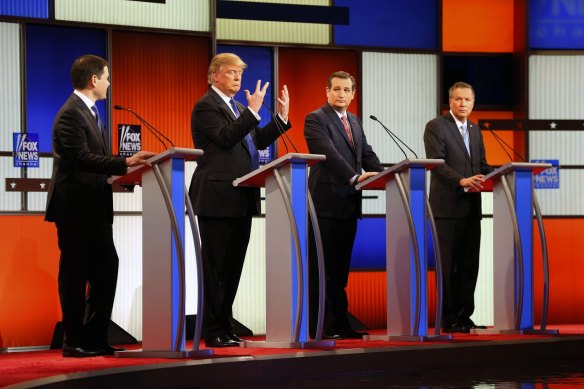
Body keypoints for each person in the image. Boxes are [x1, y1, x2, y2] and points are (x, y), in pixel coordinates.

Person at [45, 54, 155, 357]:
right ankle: (74, 341)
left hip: (95, 208)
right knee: (76, 275)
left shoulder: (92, 113)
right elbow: (80, 158)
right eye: (106, 77)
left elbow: (96, 165)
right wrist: (124, 162)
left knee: (107, 270)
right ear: (94, 80)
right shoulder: (71, 114)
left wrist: (129, 175)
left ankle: (94, 337)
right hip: (75, 209)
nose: (108, 83)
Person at [188, 53, 291, 347]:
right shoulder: (206, 105)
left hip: (242, 197)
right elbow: (225, 138)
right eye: (232, 72)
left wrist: (280, 118)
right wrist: (253, 111)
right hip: (217, 197)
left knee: (233, 268)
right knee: (216, 268)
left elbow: (255, 140)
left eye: (240, 74)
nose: (237, 78)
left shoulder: (235, 107)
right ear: (214, 75)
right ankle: (212, 329)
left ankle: (225, 325)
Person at [304, 71, 383, 340]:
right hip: (324, 204)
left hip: (348, 204)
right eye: (336, 89)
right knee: (321, 270)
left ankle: (340, 324)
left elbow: (367, 153)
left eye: (346, 90)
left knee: (339, 271)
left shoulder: (355, 120)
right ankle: (320, 327)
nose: (341, 94)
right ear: (327, 91)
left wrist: (387, 174)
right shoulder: (316, 119)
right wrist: (354, 177)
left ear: (353, 94)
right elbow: (329, 155)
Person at [423, 81, 493, 334]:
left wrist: (501, 174)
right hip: (446, 208)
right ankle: (448, 317)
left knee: (468, 265)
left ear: (473, 104)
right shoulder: (436, 126)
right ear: (450, 102)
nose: (463, 103)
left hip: (472, 208)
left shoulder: (475, 130)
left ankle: (465, 316)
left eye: (468, 100)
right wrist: (461, 181)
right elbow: (436, 163)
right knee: (448, 266)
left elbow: (481, 165)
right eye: (458, 99)